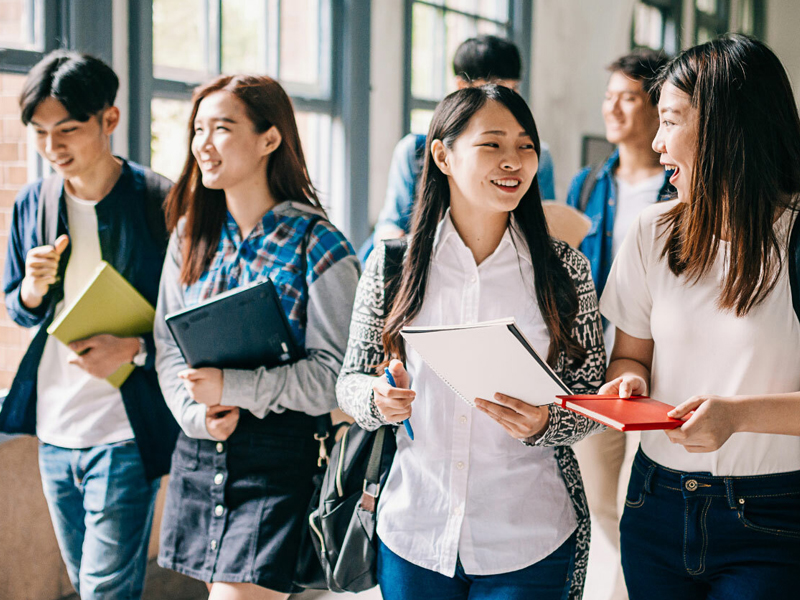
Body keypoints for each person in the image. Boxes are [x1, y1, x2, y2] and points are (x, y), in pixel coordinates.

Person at [337, 84, 606, 600]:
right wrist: (377, 399)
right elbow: (348, 382)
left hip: (530, 536)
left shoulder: (564, 269)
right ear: (443, 154)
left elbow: (593, 394)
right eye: (493, 144)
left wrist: (551, 422)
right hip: (415, 531)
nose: (514, 162)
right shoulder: (394, 263)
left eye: (526, 146)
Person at [599, 34, 800, 599]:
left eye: (671, 120)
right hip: (654, 503)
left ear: (726, 127)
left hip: (773, 516)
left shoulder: (797, 238)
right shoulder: (652, 232)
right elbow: (632, 354)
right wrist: (628, 381)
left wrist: (735, 416)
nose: (657, 142)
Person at [154, 74, 359, 600]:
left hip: (278, 462)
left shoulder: (319, 244)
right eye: (198, 128)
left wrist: (231, 386)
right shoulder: (189, 233)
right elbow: (167, 348)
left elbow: (336, 378)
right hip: (201, 454)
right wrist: (196, 413)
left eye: (222, 128)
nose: (203, 143)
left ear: (270, 139)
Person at [1, 51, 178, 599]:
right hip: (54, 428)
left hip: (124, 428)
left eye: (68, 130)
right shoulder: (33, 201)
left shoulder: (159, 202)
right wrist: (31, 287)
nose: (52, 147)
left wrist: (135, 348)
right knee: (89, 583)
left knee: (104, 588)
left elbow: (189, 318)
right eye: (39, 132)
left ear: (110, 120)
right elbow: (17, 306)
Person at [565, 48, 669, 600]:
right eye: (609, 98)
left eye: (628, 98)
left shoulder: (682, 191)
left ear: (660, 107)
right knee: (602, 496)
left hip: (664, 373)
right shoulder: (588, 184)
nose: (615, 110)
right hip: (596, 373)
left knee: (648, 496)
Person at [358, 35, 556, 263]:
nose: (507, 101)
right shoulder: (414, 152)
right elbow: (391, 223)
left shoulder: (538, 157)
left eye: (514, 89)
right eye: (497, 88)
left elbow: (546, 225)